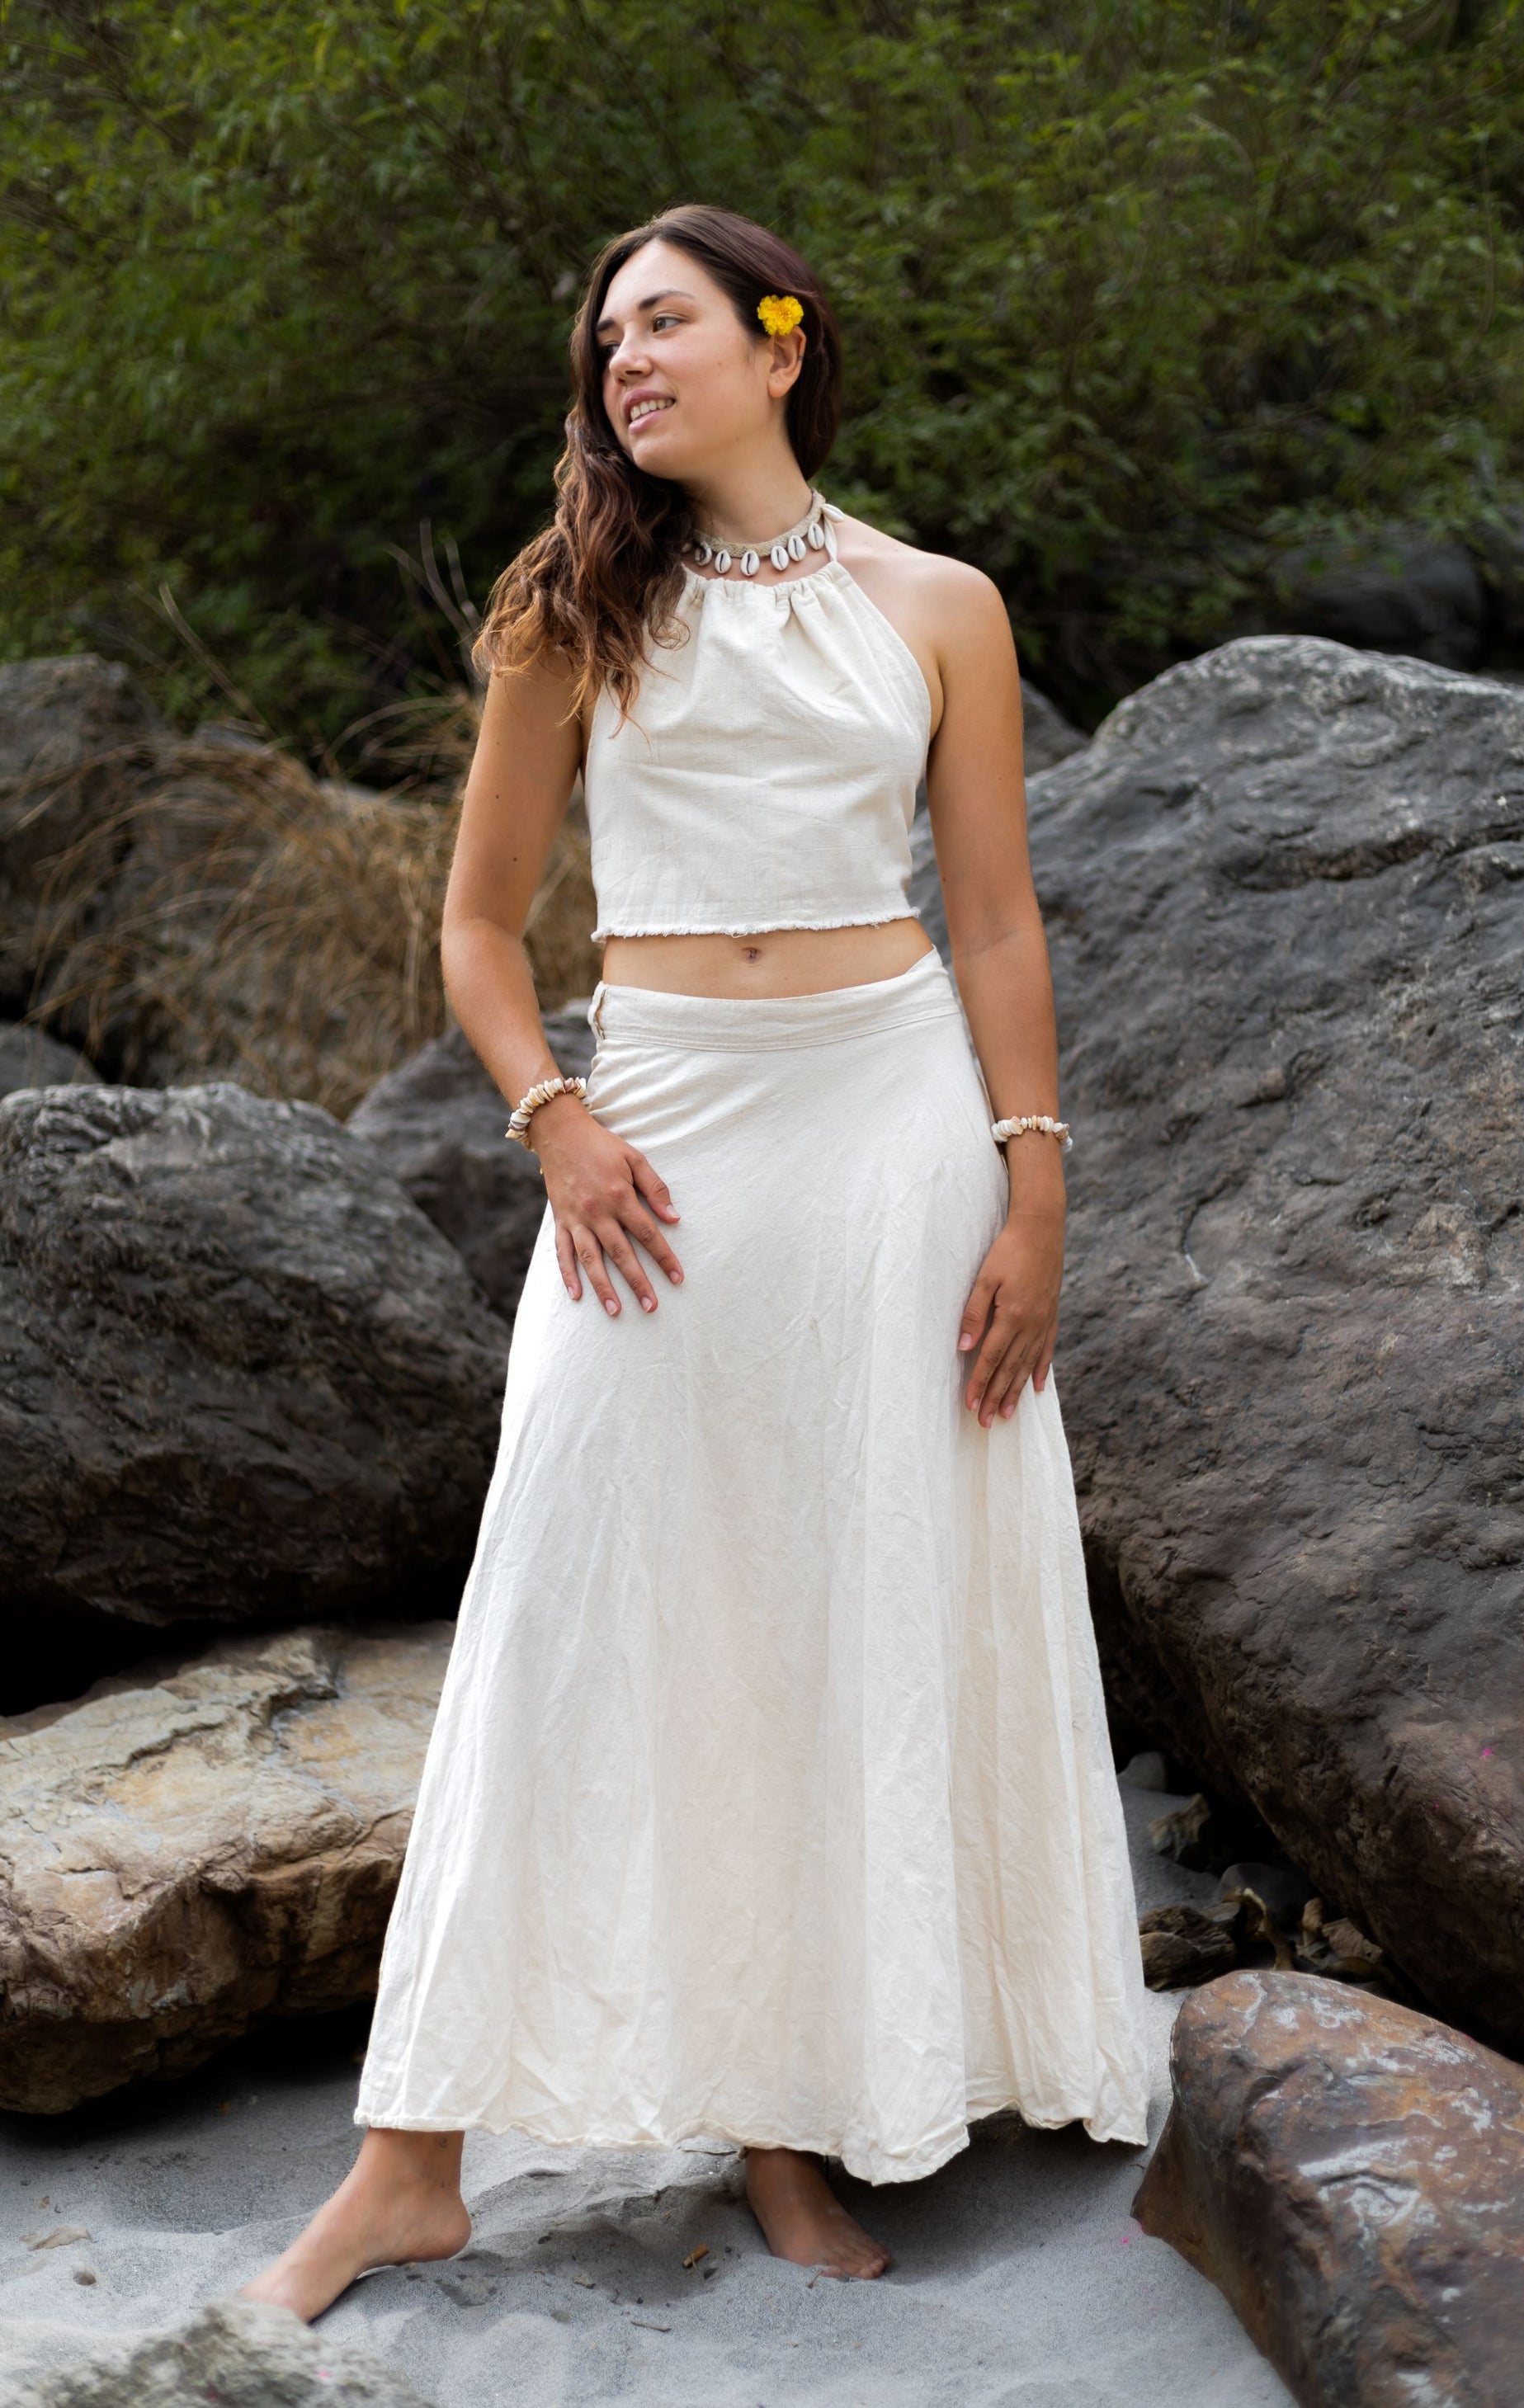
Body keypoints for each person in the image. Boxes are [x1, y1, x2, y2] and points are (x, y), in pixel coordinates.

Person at [242, 201, 1148, 2319]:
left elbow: (995, 919)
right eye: (604, 340)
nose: (623, 361)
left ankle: (785, 2122)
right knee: (560, 1597)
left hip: (885, 1130)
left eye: (661, 323)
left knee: (837, 1600)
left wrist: (1034, 1192)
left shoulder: (939, 605)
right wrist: (551, 1120)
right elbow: (479, 926)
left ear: (778, 342)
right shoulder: (571, 607)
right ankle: (406, 2162)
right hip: (657, 1130)